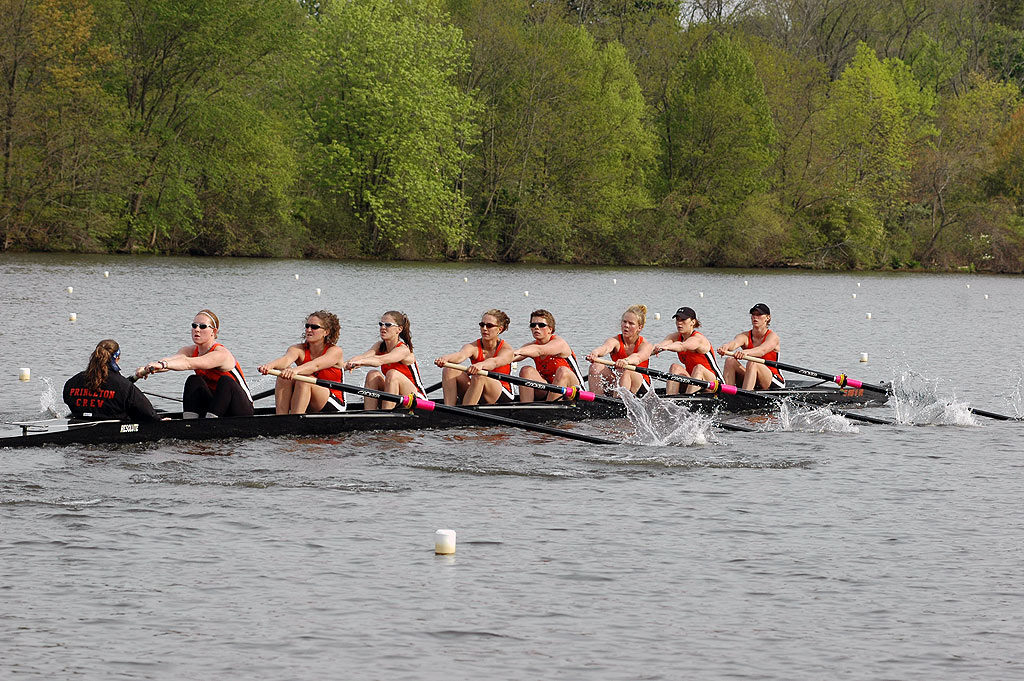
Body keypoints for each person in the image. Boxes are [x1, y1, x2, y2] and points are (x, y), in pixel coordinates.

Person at [136, 309, 254, 417]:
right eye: (194, 325)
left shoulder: (221, 354)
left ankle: (209, 424)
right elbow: (173, 361)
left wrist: (162, 365)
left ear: (214, 331)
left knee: (226, 382)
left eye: (202, 326)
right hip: (216, 404)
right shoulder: (190, 350)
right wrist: (149, 367)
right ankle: (190, 423)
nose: (197, 329)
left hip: (240, 408)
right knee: (193, 380)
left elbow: (188, 363)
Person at [257, 311, 345, 414]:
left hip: (333, 402)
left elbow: (315, 365)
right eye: (307, 326)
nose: (308, 330)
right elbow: (285, 360)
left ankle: (295, 422)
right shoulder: (297, 349)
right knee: (283, 376)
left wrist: (295, 371)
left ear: (326, 332)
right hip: (305, 394)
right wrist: (269, 366)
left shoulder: (335, 351)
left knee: (305, 379)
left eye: (314, 327)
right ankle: (281, 418)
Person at [344, 310, 426, 410]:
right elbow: (363, 357)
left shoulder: (403, 350)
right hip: (395, 395)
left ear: (399, 329)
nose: (383, 327)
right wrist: (342, 366)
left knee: (392, 374)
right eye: (381, 324)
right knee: (372, 374)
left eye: (388, 325)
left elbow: (380, 360)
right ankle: (369, 414)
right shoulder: (380, 345)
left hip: (417, 399)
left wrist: (360, 363)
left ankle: (386, 416)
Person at [63, 340, 161, 421]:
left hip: (79, 425)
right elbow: (148, 413)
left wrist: (134, 377)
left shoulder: (72, 382)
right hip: (111, 430)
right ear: (117, 358)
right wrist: (159, 420)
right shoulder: (124, 386)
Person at [433, 310, 516, 406]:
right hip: (477, 386)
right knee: (449, 369)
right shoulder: (473, 346)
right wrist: (445, 358)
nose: (484, 329)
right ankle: (449, 409)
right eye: (482, 325)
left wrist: (481, 365)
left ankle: (466, 413)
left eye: (489, 326)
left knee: (480, 375)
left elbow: (495, 362)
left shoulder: (506, 350)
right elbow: (460, 356)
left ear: (500, 329)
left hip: (502, 393)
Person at [513, 309, 584, 403]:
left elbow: (540, 350)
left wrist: (518, 351)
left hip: (573, 391)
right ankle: (525, 408)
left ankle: (549, 410)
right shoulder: (531, 346)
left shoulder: (559, 343)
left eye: (541, 325)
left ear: (550, 329)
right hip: (548, 388)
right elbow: (510, 358)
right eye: (533, 325)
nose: (536, 328)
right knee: (526, 370)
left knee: (563, 371)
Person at [651, 306, 725, 395]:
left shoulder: (698, 339)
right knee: (675, 367)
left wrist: (667, 347)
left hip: (714, 383)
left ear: (693, 322)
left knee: (699, 368)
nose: (679, 323)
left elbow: (682, 346)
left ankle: (688, 402)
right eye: (677, 320)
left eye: (683, 320)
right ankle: (670, 400)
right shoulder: (675, 336)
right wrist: (653, 349)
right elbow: (662, 344)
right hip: (694, 380)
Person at [585, 304, 653, 397]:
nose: (626, 326)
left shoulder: (646, 345)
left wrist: (626, 361)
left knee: (626, 372)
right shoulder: (615, 341)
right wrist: (595, 353)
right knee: (595, 367)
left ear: (639, 327)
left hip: (641, 387)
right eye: (624, 322)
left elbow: (637, 358)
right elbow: (605, 348)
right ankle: (597, 402)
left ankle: (616, 405)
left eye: (631, 323)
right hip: (620, 380)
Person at [716, 303, 786, 390]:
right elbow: (734, 343)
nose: (755, 317)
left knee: (753, 363)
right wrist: (725, 347)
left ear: (768, 318)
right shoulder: (745, 336)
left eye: (759, 314)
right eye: (753, 314)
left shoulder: (773, 337)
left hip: (773, 380)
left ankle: (744, 397)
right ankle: (727, 395)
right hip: (754, 375)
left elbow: (762, 350)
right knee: (729, 360)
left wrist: (745, 352)